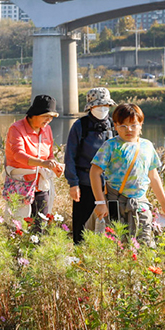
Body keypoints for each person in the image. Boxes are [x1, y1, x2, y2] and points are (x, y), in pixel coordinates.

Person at [90, 103, 165, 248]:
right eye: (123, 126)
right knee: (114, 245)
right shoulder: (110, 146)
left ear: (141, 125)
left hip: (140, 203)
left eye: (133, 125)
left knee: (145, 244)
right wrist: (100, 202)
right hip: (115, 203)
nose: (128, 129)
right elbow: (94, 172)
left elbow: (154, 177)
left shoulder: (147, 146)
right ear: (115, 125)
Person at [64, 88, 116, 243]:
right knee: (82, 225)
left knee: (110, 225)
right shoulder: (80, 126)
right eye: (99, 106)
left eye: (106, 105)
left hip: (109, 185)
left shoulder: (114, 125)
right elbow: (70, 156)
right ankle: (79, 252)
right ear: (90, 107)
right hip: (85, 183)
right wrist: (73, 184)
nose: (103, 109)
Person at [3, 94, 65, 222]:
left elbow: (49, 155)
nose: (49, 120)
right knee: (18, 224)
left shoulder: (47, 129)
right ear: (35, 113)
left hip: (40, 185)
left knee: (41, 223)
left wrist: (54, 165)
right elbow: (18, 154)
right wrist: (43, 163)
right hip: (21, 183)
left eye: (51, 117)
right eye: (46, 116)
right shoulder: (16, 129)